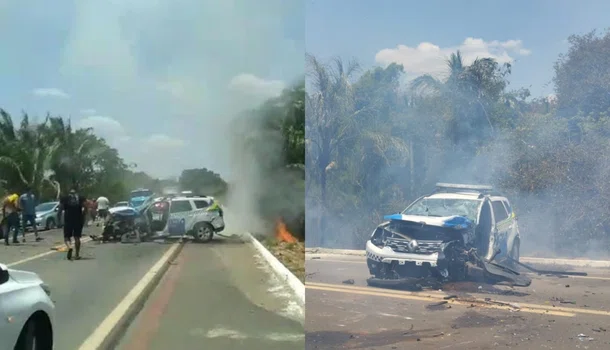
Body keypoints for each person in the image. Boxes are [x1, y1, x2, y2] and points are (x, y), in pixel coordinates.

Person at [59, 188, 86, 260]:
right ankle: (77, 254)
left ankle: (70, 247)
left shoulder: (65, 198)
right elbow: (85, 207)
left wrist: (59, 219)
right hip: (78, 219)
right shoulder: (80, 198)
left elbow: (60, 208)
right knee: (77, 237)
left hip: (68, 220)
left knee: (66, 237)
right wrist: (83, 216)